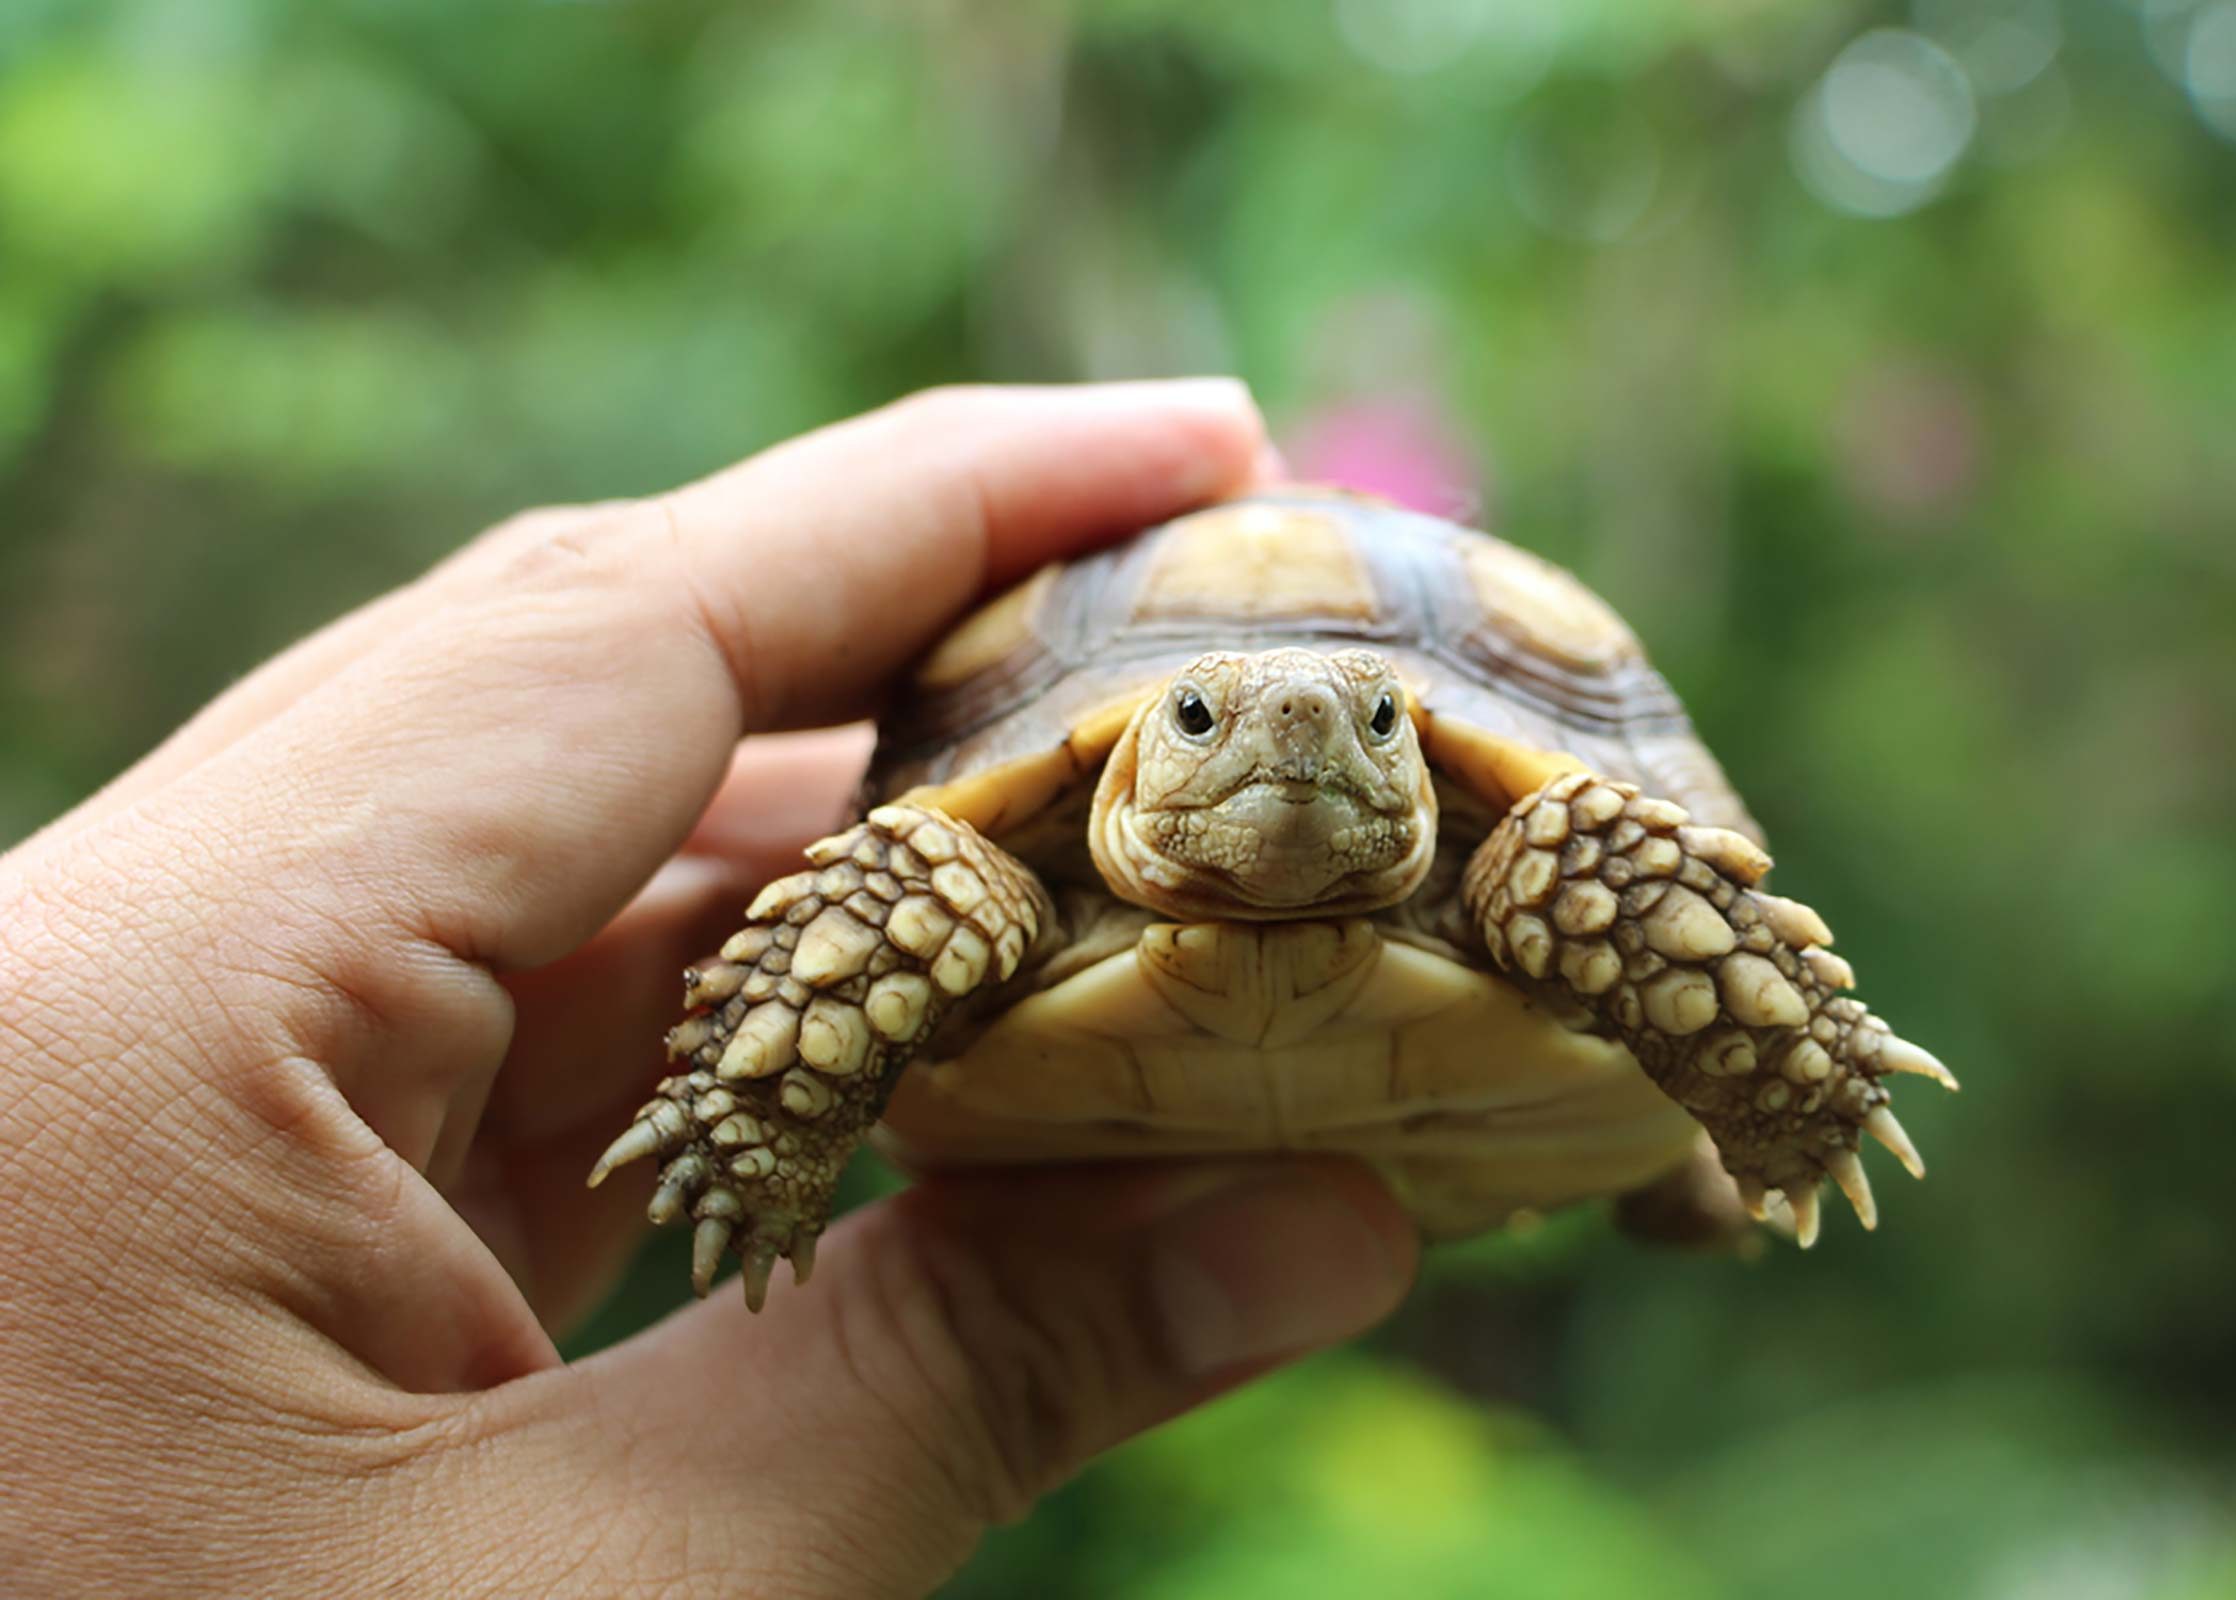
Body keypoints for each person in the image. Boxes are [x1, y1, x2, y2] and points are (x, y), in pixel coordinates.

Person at [0, 381, 1418, 1597]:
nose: (1293, 726)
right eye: (1194, 714)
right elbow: (924, 875)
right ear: (1131, 754)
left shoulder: (1517, 863)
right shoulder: (990, 881)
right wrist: (762, 1118)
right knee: (926, 893)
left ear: (1417, 757)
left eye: (1373, 719)